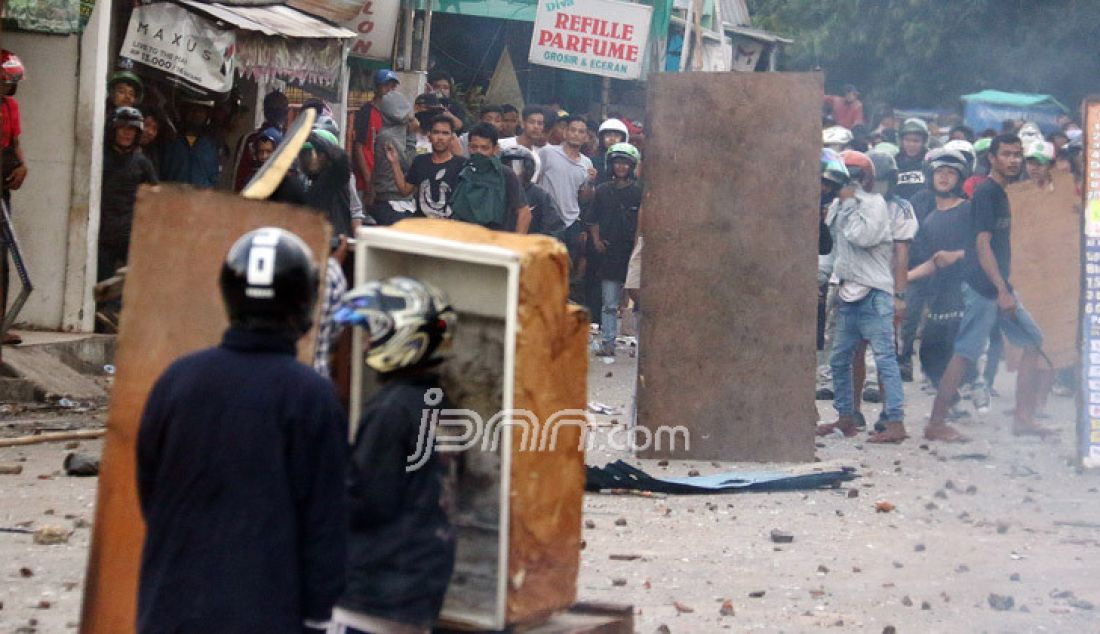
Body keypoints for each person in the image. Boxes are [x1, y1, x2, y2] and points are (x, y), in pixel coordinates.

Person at [137, 228, 347, 633]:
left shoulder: (176, 381)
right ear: (302, 304)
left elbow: (151, 492)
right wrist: (320, 614)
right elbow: (326, 525)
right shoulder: (312, 399)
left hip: (169, 610)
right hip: (267, 614)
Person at [329, 276, 457, 634]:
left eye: (375, 331)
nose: (368, 341)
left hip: (377, 588)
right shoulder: (440, 403)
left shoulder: (391, 409)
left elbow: (368, 498)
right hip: (420, 583)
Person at [922, 133, 1053, 442]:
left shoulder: (1005, 193)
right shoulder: (986, 194)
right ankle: (936, 423)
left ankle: (1023, 418)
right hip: (984, 288)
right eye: (1006, 154)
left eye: (1017, 154)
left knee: (1033, 340)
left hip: (998, 285)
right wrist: (1001, 290)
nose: (1013, 160)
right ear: (992, 158)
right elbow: (983, 245)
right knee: (966, 352)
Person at [815, 151, 906, 442]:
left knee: (884, 358)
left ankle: (895, 422)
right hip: (847, 292)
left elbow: (862, 237)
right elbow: (833, 250)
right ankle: (846, 417)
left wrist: (849, 203)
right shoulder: (837, 207)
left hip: (875, 293)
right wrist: (818, 281)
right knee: (839, 359)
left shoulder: (875, 205)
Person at [901, 149, 972, 389]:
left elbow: (989, 249)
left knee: (957, 352)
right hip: (940, 292)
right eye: (939, 172)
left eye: (951, 173)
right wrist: (904, 277)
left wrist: (957, 255)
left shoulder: (969, 210)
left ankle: (962, 398)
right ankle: (953, 403)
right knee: (930, 354)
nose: (944, 177)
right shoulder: (930, 218)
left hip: (967, 292)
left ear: (960, 178)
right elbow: (934, 261)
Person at [587, 143, 641, 357]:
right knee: (609, 302)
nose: (621, 167)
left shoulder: (639, 192)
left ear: (632, 166)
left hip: (632, 251)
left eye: (625, 163)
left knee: (637, 300)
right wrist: (597, 240)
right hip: (610, 252)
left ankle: (639, 343)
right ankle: (608, 341)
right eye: (617, 162)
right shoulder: (602, 191)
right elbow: (592, 219)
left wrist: (639, 246)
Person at [98, 106, 158, 282]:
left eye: (132, 129)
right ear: (113, 130)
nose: (127, 134)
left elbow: (155, 198)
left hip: (131, 237)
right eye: (122, 128)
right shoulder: (101, 158)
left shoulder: (142, 163)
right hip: (104, 236)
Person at [538, 115, 596, 266]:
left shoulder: (586, 163)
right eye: (573, 130)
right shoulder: (547, 153)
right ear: (565, 133)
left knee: (565, 268)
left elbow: (583, 198)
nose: (576, 134)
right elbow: (536, 179)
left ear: (586, 137)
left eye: (581, 132)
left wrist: (590, 182)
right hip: (546, 218)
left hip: (571, 222)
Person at [451, 122, 530, 233]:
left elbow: (524, 213)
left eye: (484, 148)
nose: (479, 152)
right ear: (468, 147)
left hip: (495, 242)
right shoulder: (462, 171)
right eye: (474, 147)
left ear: (495, 149)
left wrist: (516, 244)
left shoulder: (505, 174)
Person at [388, 114, 466, 220]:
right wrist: (394, 163)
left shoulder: (461, 165)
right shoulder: (420, 161)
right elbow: (404, 190)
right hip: (422, 224)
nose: (440, 138)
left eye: (445, 133)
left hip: (450, 227)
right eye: (436, 132)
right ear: (429, 136)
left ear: (452, 138)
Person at [368, 91, 417, 225]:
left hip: (398, 200)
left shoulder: (396, 131)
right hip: (392, 201)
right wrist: (412, 137)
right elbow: (408, 164)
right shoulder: (389, 136)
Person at [353, 69, 400, 207]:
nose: (389, 90)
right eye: (386, 85)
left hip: (387, 182)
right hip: (367, 179)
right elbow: (359, 147)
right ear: (377, 87)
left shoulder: (395, 114)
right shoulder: (366, 112)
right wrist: (368, 180)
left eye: (392, 86)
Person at [301, 129, 354, 237]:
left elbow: (341, 160)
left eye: (317, 153)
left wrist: (311, 137)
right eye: (304, 154)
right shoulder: (308, 183)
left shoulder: (335, 179)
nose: (309, 158)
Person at [501, 144, 564, 235]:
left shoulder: (540, 195)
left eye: (518, 167)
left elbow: (554, 229)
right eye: (508, 166)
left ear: (529, 168)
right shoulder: (494, 191)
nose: (513, 172)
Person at [233, 90, 289, 192]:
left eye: (279, 109)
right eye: (273, 109)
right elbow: (239, 177)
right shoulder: (249, 140)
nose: (276, 113)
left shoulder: (289, 140)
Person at [160, 97, 220, 187]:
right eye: (193, 110)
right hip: (172, 197)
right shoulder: (170, 141)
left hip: (200, 199)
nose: (196, 115)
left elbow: (214, 177)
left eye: (201, 111)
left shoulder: (210, 145)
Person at [894, 118, 930, 201]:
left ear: (924, 142)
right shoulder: (894, 163)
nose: (911, 145)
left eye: (916, 141)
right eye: (907, 140)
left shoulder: (930, 162)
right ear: (901, 141)